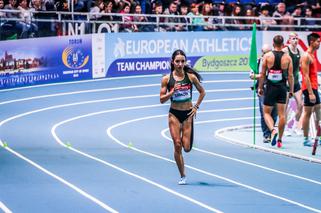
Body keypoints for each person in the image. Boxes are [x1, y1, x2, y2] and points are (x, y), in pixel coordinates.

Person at [160, 49, 205, 185]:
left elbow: (202, 92)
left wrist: (196, 106)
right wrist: (172, 92)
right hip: (174, 113)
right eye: (177, 61)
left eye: (182, 61)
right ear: (172, 62)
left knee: (186, 148)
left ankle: (189, 135)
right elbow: (161, 99)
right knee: (177, 144)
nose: (180, 64)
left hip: (187, 115)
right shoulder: (167, 79)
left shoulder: (190, 77)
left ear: (185, 62)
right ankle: (182, 175)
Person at [258, 35, 294, 148]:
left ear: (273, 44)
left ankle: (273, 130)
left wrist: (260, 87)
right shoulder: (288, 58)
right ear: (283, 45)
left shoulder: (267, 56)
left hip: (270, 88)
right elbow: (291, 76)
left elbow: (262, 75)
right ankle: (279, 140)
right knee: (282, 115)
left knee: (266, 113)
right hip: (283, 88)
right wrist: (291, 90)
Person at [250, 44, 277, 143]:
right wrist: (259, 76)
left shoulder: (276, 60)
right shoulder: (257, 62)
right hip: (263, 90)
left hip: (275, 89)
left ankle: (272, 131)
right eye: (265, 52)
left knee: (274, 113)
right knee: (264, 112)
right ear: (262, 53)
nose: (267, 54)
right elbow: (252, 75)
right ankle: (266, 135)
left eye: (269, 52)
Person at [300, 33, 321, 146]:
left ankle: (319, 137)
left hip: (314, 87)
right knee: (307, 113)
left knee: (318, 112)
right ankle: (306, 139)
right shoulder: (306, 56)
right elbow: (305, 76)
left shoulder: (312, 55)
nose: (319, 43)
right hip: (309, 89)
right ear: (312, 42)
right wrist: (311, 93)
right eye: (318, 41)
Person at [282, 32, 303, 136]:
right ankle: (284, 127)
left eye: (297, 38)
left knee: (300, 104)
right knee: (285, 106)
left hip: (296, 82)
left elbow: (300, 66)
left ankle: (295, 126)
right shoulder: (285, 50)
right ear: (289, 40)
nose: (295, 40)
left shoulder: (299, 51)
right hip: (286, 82)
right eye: (293, 38)